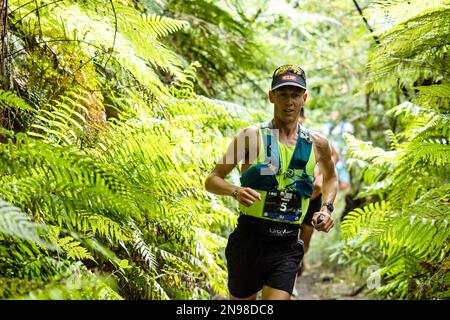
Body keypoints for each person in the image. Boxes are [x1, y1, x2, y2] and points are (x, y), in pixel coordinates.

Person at [205, 64, 338, 300]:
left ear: (304, 98)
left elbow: (330, 178)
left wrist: (326, 208)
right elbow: (212, 180)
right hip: (248, 241)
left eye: (295, 95)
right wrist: (235, 191)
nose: (289, 102)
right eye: (283, 94)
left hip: (287, 245)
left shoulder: (317, 143)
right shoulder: (251, 136)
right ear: (271, 96)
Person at [322, 111, 354, 192]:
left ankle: (343, 199)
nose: (334, 118)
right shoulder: (327, 127)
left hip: (342, 158)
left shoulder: (345, 126)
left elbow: (350, 141)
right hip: (330, 158)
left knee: (344, 183)